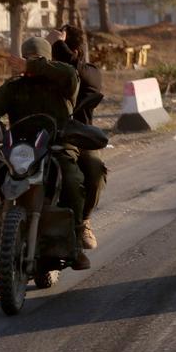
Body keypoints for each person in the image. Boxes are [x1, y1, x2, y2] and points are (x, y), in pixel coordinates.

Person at [0, 36, 91, 270]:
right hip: (20, 148)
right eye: (26, 59)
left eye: (37, 60)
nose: (29, 65)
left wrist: (34, 66)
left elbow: (68, 74)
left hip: (57, 144)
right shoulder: (13, 87)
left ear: (47, 61)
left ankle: (76, 241)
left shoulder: (63, 82)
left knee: (73, 180)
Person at [46, 25, 107, 251]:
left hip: (76, 136)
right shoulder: (40, 71)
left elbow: (78, 72)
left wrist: (58, 44)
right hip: (38, 137)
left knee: (94, 170)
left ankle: (83, 222)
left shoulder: (89, 72)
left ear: (75, 52)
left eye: (58, 51)